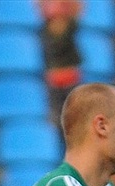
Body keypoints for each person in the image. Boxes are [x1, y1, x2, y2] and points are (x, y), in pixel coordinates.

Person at [37, 0, 84, 149]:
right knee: (56, 121)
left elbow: (78, 9)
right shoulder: (45, 31)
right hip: (55, 81)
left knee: (74, 119)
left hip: (70, 79)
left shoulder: (70, 27)